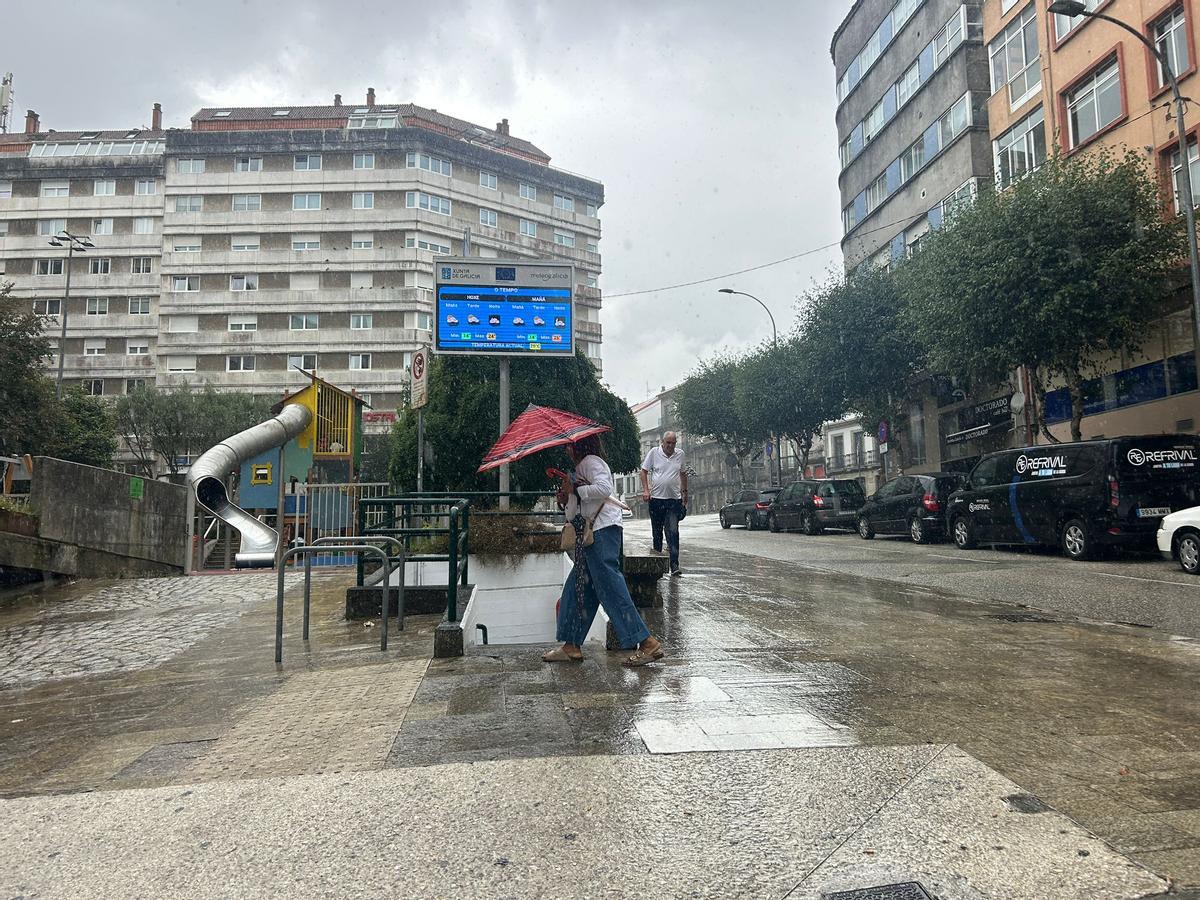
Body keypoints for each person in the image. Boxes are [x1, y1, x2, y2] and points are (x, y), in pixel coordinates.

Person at [543, 434, 664, 666]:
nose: (567, 450)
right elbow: (573, 515)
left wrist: (576, 491)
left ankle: (646, 642)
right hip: (593, 534)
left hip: (602, 531)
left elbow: (604, 488)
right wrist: (566, 496)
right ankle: (571, 645)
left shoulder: (591, 462)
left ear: (578, 446)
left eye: (569, 446)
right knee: (577, 589)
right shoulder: (578, 469)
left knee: (609, 586)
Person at [640, 431, 687, 576]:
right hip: (656, 499)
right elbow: (643, 471)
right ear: (663, 442)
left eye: (673, 443)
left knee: (673, 532)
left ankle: (674, 564)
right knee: (657, 533)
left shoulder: (680, 454)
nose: (671, 446)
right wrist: (646, 490)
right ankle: (658, 564)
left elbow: (683, 474)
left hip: (673, 500)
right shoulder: (654, 453)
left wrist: (685, 493)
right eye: (668, 443)